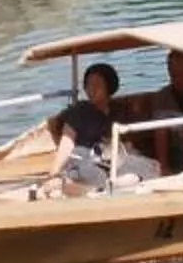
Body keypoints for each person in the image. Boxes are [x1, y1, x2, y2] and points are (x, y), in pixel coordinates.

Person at [48, 61, 157, 194]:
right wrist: (53, 173)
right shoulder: (79, 111)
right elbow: (67, 143)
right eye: (88, 85)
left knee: (147, 166)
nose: (91, 90)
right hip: (86, 156)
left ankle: (119, 183)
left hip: (111, 156)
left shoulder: (118, 111)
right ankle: (103, 187)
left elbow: (124, 141)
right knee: (88, 171)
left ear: (109, 87)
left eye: (97, 85)